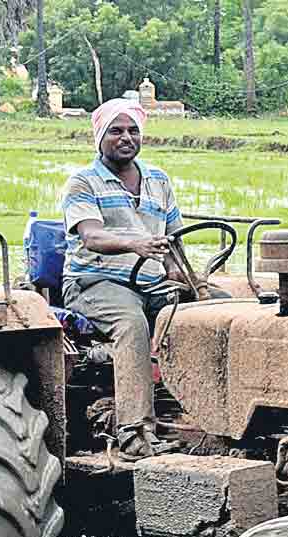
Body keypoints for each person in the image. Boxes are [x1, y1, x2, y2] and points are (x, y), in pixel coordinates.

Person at [61, 98, 188, 461]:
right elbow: (91, 237)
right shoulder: (83, 183)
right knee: (131, 324)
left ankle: (201, 411)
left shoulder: (158, 180)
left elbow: (175, 239)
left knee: (211, 308)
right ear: (100, 137)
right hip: (94, 282)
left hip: (151, 282)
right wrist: (136, 243)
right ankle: (135, 433)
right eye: (116, 131)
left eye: (133, 131)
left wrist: (182, 276)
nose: (125, 138)